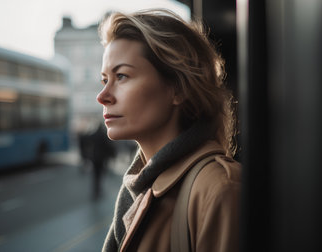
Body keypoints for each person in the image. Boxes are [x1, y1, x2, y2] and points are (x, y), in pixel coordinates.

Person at [96, 9, 241, 252]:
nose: (103, 96)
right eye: (104, 80)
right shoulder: (138, 187)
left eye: (121, 76)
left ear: (178, 89)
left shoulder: (220, 190)